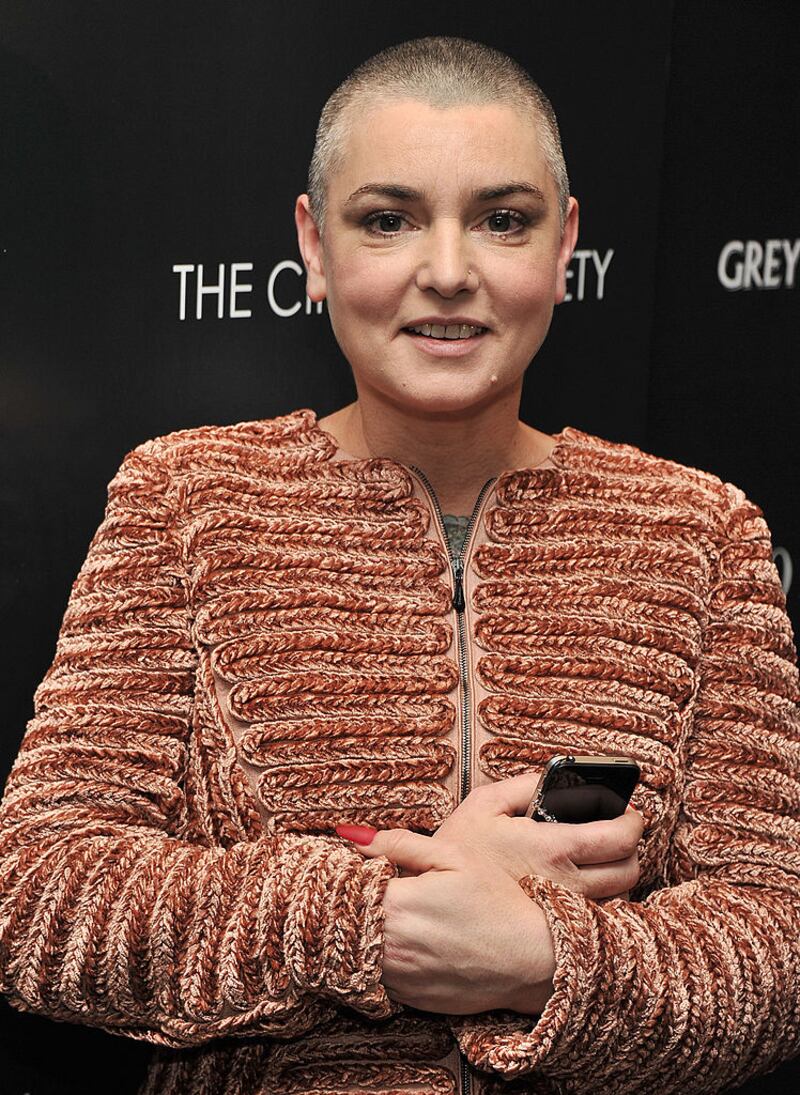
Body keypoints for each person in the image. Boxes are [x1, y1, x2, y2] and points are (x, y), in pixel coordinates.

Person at [0, 35, 798, 1095]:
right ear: (314, 244)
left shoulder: (700, 531)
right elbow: (40, 899)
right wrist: (381, 921)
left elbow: (773, 940)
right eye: (388, 219)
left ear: (563, 245)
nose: (447, 271)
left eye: (500, 220)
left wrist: (539, 959)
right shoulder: (183, 502)